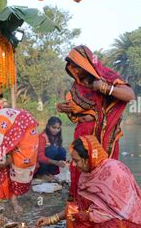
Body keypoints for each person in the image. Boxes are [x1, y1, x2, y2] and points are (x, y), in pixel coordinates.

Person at [37, 135, 141, 228]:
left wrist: (88, 216)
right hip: (106, 219)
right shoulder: (87, 175)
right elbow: (79, 205)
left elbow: (120, 212)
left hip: (136, 227)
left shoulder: (114, 171)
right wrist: (51, 219)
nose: (73, 164)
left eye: (77, 160)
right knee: (72, 208)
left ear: (89, 157)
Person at [56, 45, 134, 201]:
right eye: (71, 66)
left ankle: (104, 207)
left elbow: (129, 95)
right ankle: (81, 205)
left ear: (86, 63)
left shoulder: (104, 76)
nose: (74, 70)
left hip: (102, 134)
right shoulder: (77, 86)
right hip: (82, 133)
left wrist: (105, 88)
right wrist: (61, 108)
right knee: (79, 167)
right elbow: (76, 109)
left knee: (102, 169)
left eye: (77, 66)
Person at [35, 116, 68, 181]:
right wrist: (56, 162)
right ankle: (41, 173)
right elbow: (40, 157)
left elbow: (59, 153)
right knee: (53, 149)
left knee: (62, 151)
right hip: (40, 163)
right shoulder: (42, 137)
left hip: (50, 160)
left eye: (58, 128)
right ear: (48, 126)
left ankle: (50, 173)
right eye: (54, 127)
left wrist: (64, 161)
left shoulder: (57, 137)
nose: (56, 130)